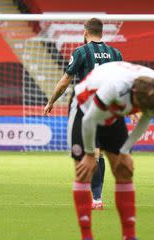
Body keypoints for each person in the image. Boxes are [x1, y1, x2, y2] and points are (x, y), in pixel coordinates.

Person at [68, 61, 154, 240]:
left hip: (113, 114)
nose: (139, 111)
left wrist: (125, 151)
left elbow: (145, 119)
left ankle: (129, 239)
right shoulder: (115, 86)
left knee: (124, 171)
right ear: (134, 94)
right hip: (85, 109)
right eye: (138, 107)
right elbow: (89, 120)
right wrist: (89, 155)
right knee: (85, 171)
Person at [45, 17, 123, 210]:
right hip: (109, 109)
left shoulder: (81, 52)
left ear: (85, 32)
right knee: (100, 154)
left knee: (92, 153)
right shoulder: (115, 53)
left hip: (88, 109)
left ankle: (95, 198)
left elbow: (64, 81)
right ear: (102, 33)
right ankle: (97, 197)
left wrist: (51, 101)